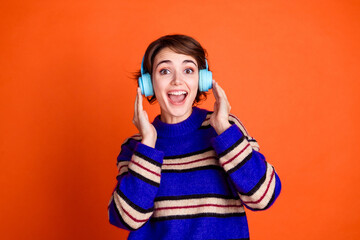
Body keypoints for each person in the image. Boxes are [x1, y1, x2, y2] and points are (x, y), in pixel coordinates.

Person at [108, 34, 281, 240]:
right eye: (165, 71)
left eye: (188, 70)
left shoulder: (226, 129)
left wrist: (224, 130)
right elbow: (128, 218)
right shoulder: (137, 147)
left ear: (202, 79)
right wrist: (148, 145)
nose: (177, 81)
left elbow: (262, 197)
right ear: (148, 83)